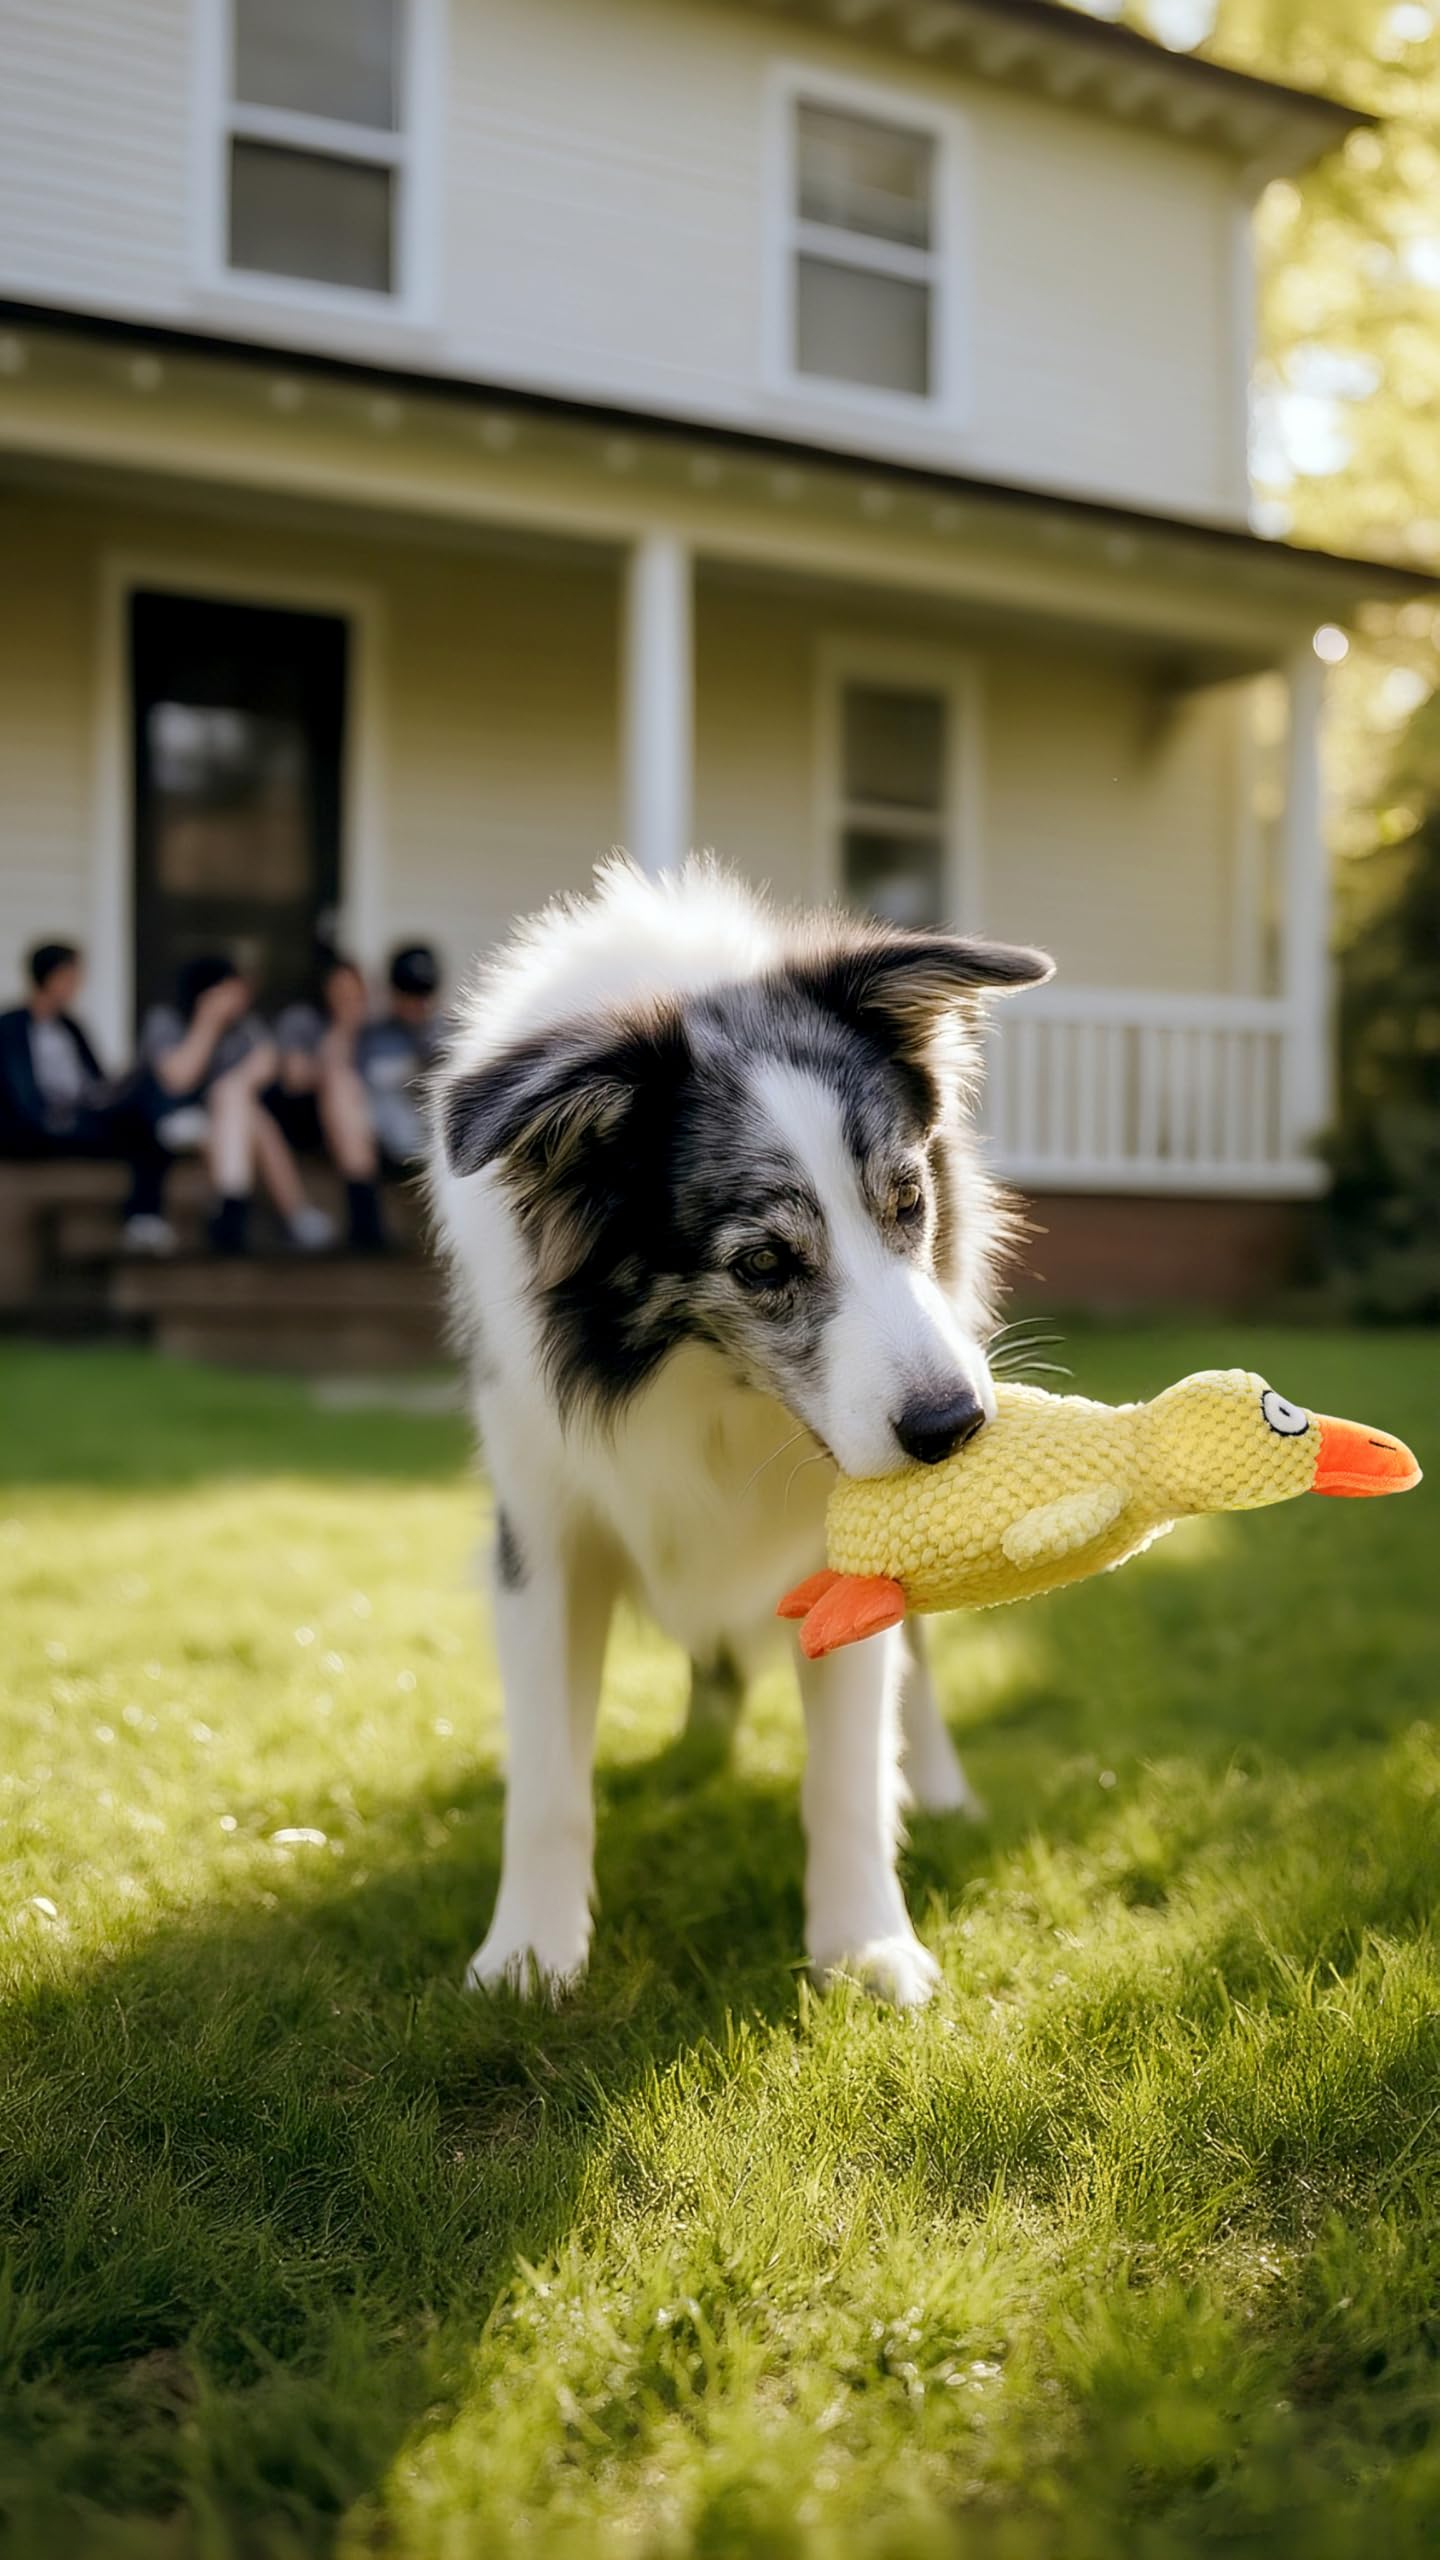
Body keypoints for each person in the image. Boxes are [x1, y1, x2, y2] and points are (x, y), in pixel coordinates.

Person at [138, 956, 334, 1256]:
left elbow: (266, 1074)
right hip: (172, 1123)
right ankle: (294, 1212)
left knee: (243, 1105)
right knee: (241, 1105)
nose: (242, 998)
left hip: (232, 1127)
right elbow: (178, 1079)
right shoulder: (166, 1019)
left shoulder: (248, 1028)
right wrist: (207, 1023)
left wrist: (238, 1083)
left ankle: (233, 1207)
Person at [0, 941, 175, 1250]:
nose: (77, 985)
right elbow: (19, 1091)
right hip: (37, 1127)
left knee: (143, 1124)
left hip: (82, 1117)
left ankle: (144, 1220)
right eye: (72, 976)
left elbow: (96, 1083)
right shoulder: (12, 1026)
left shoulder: (71, 1027)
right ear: (53, 977)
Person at [272, 952, 389, 1251]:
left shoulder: (378, 1029)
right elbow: (295, 1079)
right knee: (339, 1080)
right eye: (340, 993)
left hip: (368, 1124)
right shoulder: (302, 1020)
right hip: (304, 1120)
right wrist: (343, 1028)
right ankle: (364, 1211)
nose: (349, 1000)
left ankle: (365, 1211)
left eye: (355, 992)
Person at [355, 943, 445, 1167]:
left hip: (437, 1154)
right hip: (386, 1151)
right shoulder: (371, 1037)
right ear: (392, 992)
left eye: (424, 993)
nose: (418, 1004)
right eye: (410, 994)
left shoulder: (450, 1034)